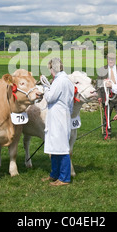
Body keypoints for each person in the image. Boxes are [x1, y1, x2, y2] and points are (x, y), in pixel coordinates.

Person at [41, 58, 75, 186]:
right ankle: (54, 174)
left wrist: (45, 86)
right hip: (63, 114)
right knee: (55, 146)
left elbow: (50, 97)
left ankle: (64, 178)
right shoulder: (67, 81)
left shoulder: (59, 81)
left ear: (52, 69)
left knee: (61, 147)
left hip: (58, 116)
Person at [97, 52, 117, 139]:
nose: (110, 60)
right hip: (107, 97)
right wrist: (99, 96)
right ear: (106, 59)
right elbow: (98, 85)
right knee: (106, 116)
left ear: (115, 59)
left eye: (112, 58)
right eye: (109, 58)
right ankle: (107, 134)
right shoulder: (101, 70)